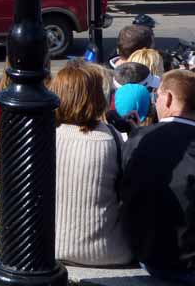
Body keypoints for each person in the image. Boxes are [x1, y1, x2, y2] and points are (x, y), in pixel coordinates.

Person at [51, 61, 132, 267]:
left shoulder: (44, 137)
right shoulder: (110, 138)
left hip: (52, 248)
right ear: (97, 96)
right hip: (109, 252)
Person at [120, 70, 195, 280]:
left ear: (169, 98)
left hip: (148, 256)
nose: (156, 103)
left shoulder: (138, 140)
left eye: (157, 96)